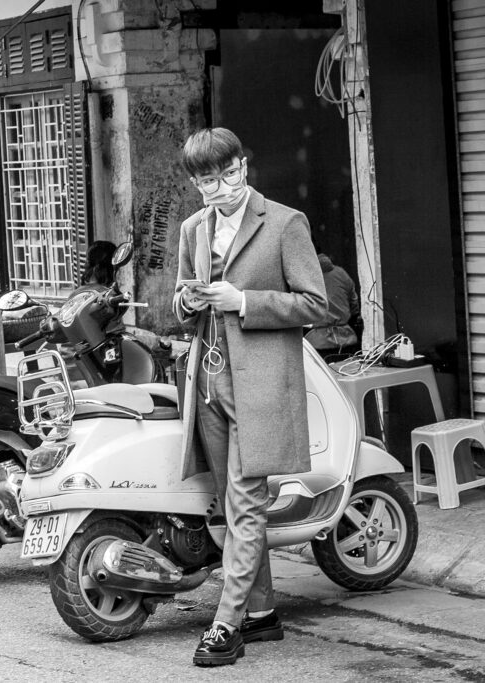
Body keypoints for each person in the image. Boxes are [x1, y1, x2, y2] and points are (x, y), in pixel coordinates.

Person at [172, 128, 327, 667]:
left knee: (245, 504)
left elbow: (315, 304)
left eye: (230, 174)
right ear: (196, 183)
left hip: (259, 386)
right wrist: (188, 302)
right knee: (228, 509)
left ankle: (225, 625)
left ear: (244, 164)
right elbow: (179, 302)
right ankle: (261, 613)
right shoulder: (194, 228)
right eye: (209, 181)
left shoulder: (285, 223)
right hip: (209, 382)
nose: (223, 188)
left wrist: (244, 301)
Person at [305, 252, 361, 358]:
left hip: (318, 343)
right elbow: (354, 305)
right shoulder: (341, 273)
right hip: (347, 339)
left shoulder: (307, 277)